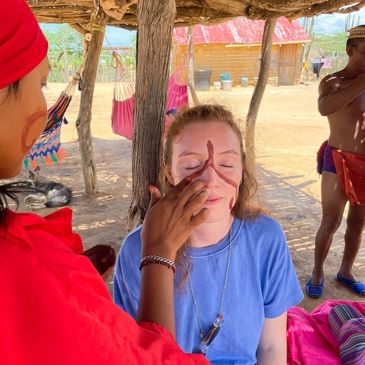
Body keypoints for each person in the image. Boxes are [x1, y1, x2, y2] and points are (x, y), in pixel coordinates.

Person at [0, 1, 211, 364]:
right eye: (41, 82)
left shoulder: (262, 238)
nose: (41, 107)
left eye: (228, 162)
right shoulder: (23, 268)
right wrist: (159, 252)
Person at [114, 104, 304, 364]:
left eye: (227, 163)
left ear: (242, 168)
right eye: (192, 165)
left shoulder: (265, 239)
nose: (211, 180)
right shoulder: (138, 250)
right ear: (169, 172)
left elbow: (271, 349)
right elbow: (137, 352)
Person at [306, 25, 365, 299]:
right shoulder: (333, 82)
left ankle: (346, 271)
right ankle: (317, 271)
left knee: (357, 223)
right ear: (350, 50)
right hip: (337, 158)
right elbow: (323, 108)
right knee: (330, 221)